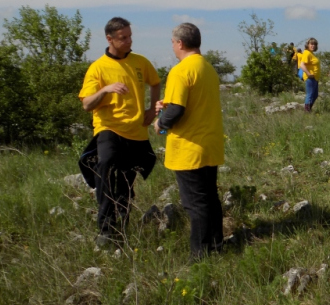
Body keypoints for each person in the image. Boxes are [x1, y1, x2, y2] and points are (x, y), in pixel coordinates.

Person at [78, 17, 160, 246]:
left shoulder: (140, 62)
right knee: (105, 164)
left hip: (136, 130)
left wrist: (152, 110)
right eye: (123, 38)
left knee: (126, 180)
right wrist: (105, 89)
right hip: (108, 128)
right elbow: (87, 104)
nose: (128, 41)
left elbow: (155, 83)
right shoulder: (98, 68)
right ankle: (105, 228)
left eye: (130, 36)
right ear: (109, 39)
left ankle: (121, 229)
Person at [153, 23, 224, 260]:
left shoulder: (181, 70)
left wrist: (159, 123)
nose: (172, 47)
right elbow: (190, 102)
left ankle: (200, 255)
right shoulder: (208, 68)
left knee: (195, 204)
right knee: (209, 199)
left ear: (180, 43)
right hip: (209, 144)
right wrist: (169, 104)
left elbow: (176, 111)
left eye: (172, 43)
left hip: (189, 148)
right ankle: (216, 246)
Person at [299, 38, 320, 112]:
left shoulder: (311, 53)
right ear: (308, 45)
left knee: (315, 95)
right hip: (310, 77)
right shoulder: (306, 53)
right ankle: (307, 110)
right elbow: (302, 64)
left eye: (314, 44)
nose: (313, 46)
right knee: (310, 94)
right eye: (311, 44)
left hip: (315, 78)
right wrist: (308, 73)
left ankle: (309, 108)